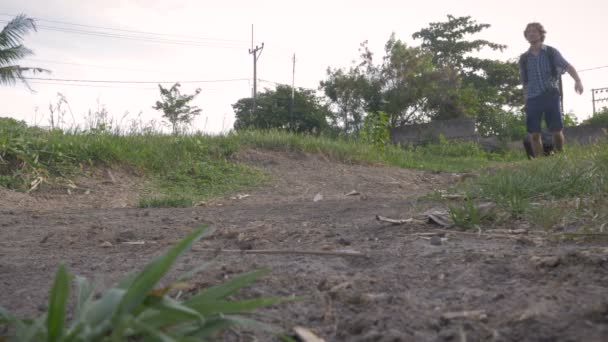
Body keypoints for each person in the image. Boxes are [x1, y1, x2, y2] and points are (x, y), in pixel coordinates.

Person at [519, 22, 584, 157]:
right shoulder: (524, 58)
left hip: (551, 95)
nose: (531, 33)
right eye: (528, 32)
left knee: (556, 130)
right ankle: (539, 162)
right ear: (526, 36)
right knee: (534, 133)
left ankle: (560, 154)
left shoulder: (550, 52)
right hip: (532, 98)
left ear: (541, 34)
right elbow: (525, 82)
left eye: (534, 31)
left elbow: (567, 66)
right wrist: (525, 101)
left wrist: (577, 80)